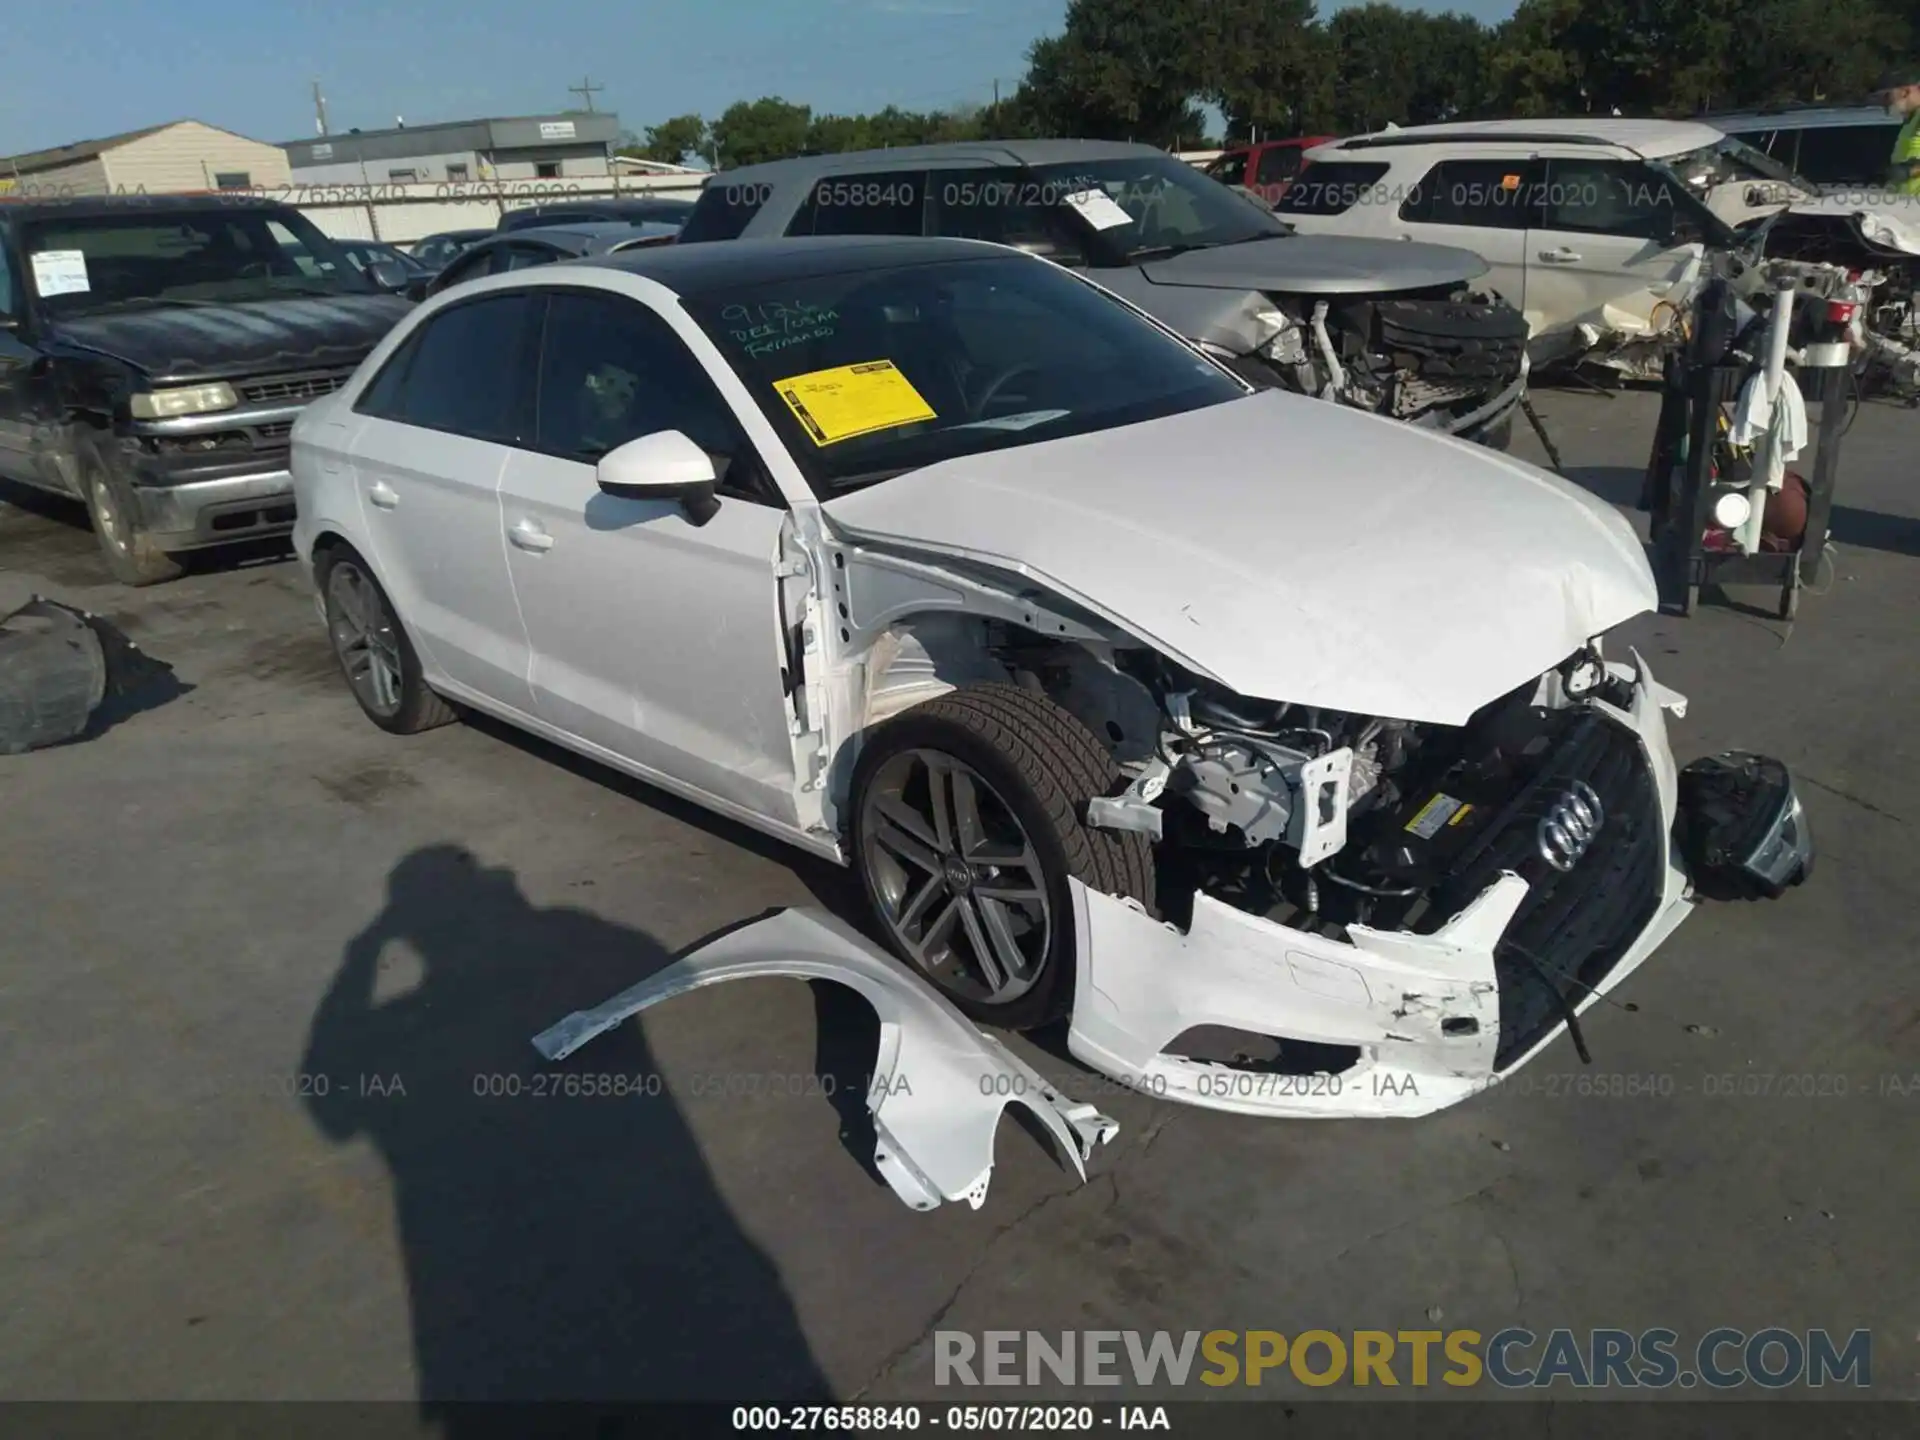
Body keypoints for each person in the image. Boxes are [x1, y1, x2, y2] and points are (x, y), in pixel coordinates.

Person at [1875, 68, 1920, 196]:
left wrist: (1909, 171)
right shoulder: (1913, 119)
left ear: (1905, 92)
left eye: (1888, 96)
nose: (1885, 103)